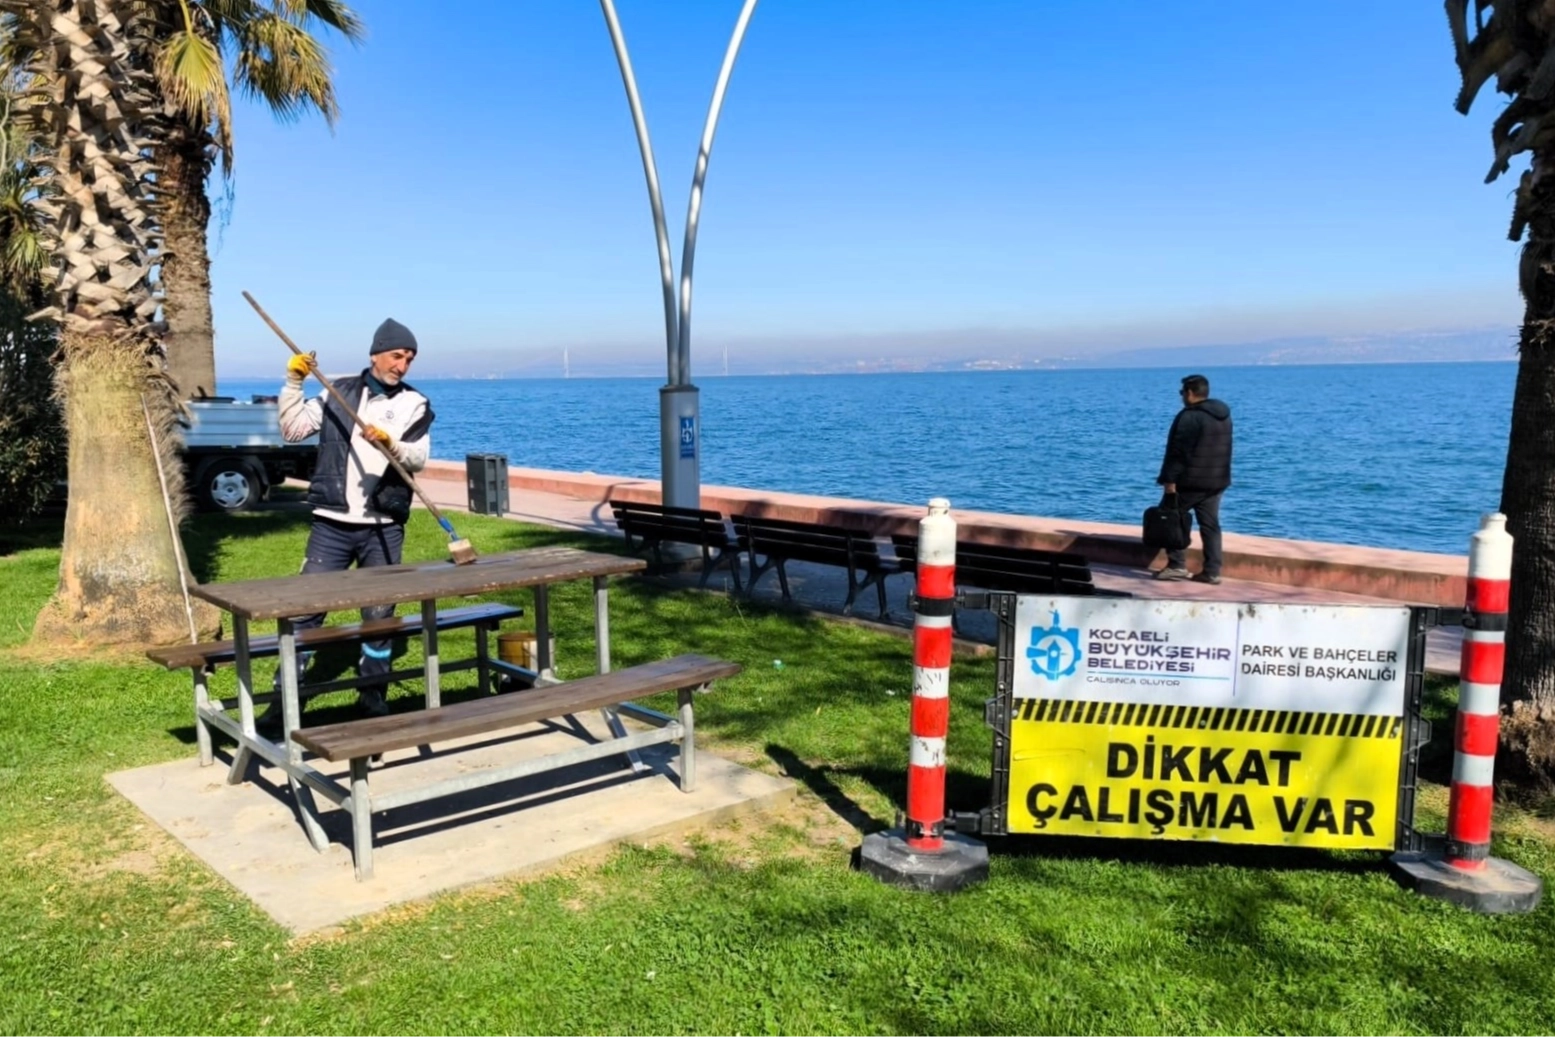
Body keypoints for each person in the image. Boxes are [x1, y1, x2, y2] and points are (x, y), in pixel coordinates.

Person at [262, 318, 435, 729]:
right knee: (306, 611)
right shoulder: (337, 391)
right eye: (396, 356)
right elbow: (293, 430)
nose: (401, 365)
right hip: (332, 524)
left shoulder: (415, 404)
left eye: (409, 359)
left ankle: (372, 695)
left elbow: (418, 459)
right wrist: (293, 383)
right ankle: (284, 702)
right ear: (376, 354)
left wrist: (391, 443)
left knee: (379, 615)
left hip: (383, 525)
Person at [1154, 373, 1232, 585]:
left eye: (1182, 392)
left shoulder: (1189, 417)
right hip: (1217, 480)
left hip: (1190, 482)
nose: (1181, 396)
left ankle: (1176, 565)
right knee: (1210, 525)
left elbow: (1178, 453)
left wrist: (1169, 481)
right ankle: (1212, 571)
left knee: (1171, 517)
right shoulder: (1223, 415)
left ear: (1189, 393)